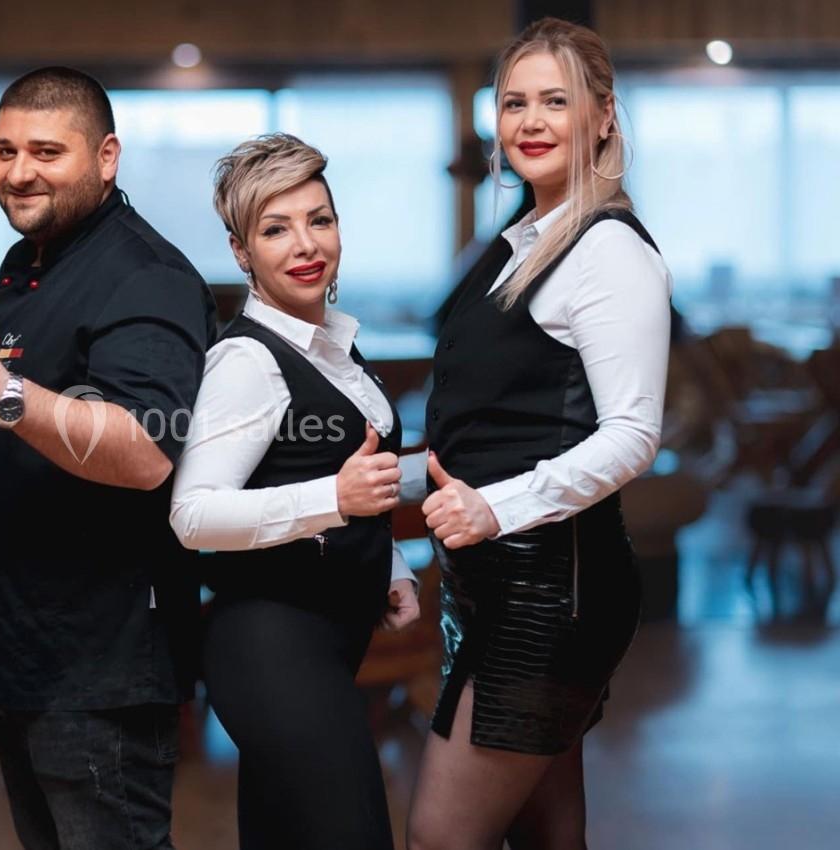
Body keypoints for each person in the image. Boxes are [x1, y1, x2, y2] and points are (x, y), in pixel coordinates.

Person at [0, 67, 216, 850]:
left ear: (106, 156)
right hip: (19, 651)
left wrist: (2, 397)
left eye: (47, 151)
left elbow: (149, 449)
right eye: (4, 150)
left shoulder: (142, 274)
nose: (20, 172)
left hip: (96, 667)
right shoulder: (32, 260)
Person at [402, 18, 673, 850]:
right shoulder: (519, 242)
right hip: (499, 581)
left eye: (556, 100)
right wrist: (391, 479)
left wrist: (492, 508)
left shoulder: (608, 251)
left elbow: (633, 435)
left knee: (441, 837)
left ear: (602, 116)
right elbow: (493, 428)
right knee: (547, 835)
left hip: (550, 588)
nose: (530, 121)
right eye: (514, 102)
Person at [169, 133, 421, 850]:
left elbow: (346, 474)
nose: (306, 245)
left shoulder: (336, 349)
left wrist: (389, 565)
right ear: (241, 251)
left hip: (325, 636)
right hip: (266, 641)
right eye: (275, 230)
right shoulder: (247, 360)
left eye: (320, 220)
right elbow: (193, 514)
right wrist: (334, 499)